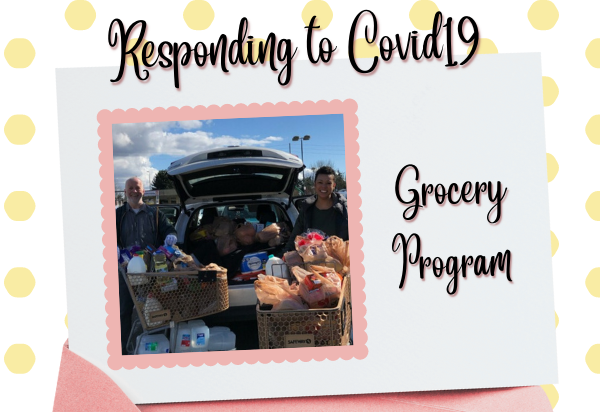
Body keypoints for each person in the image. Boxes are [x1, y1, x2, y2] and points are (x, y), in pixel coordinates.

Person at [116, 177, 178, 355]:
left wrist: (170, 236)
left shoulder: (155, 214)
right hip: (126, 271)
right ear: (125, 192)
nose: (134, 191)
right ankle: (123, 349)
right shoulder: (118, 215)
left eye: (138, 188)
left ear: (144, 191)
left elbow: (169, 229)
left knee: (155, 306)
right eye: (130, 188)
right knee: (124, 310)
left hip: (152, 271)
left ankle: (157, 343)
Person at [285, 166, 349, 251]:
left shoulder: (344, 209)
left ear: (334, 185)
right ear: (315, 184)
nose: (324, 186)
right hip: (311, 261)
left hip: (338, 261)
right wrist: (283, 256)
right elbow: (294, 237)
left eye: (328, 183)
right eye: (320, 182)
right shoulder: (306, 210)